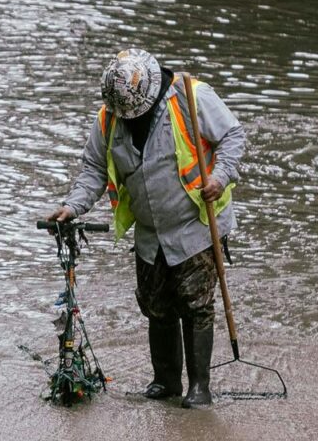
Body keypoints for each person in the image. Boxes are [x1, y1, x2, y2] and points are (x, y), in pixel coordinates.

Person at [45, 48, 246, 408]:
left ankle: (199, 388)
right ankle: (165, 382)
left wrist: (219, 177)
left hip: (195, 223)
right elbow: (93, 169)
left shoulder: (190, 97)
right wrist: (72, 206)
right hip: (150, 232)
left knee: (196, 304)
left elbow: (232, 136)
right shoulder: (109, 118)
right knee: (156, 305)